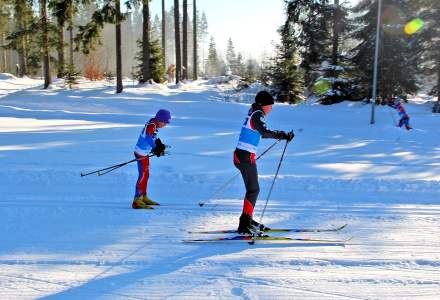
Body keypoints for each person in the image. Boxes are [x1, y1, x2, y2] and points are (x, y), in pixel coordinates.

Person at [233, 91, 294, 234]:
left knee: (253, 189)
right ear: (263, 105)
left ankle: (247, 219)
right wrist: (282, 134)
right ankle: (244, 223)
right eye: (270, 105)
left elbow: (260, 132)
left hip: (244, 155)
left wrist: (281, 134)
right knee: (254, 190)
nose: (271, 109)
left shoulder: (254, 112)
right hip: (244, 156)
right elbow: (264, 133)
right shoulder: (257, 114)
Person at [132, 109, 171, 209]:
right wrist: (155, 148)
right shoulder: (152, 125)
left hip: (144, 153)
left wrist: (158, 144)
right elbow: (148, 138)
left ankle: (143, 196)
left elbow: (151, 137)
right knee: (143, 175)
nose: (166, 124)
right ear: (160, 119)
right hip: (141, 153)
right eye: (165, 122)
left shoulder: (154, 124)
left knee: (146, 174)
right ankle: (137, 200)